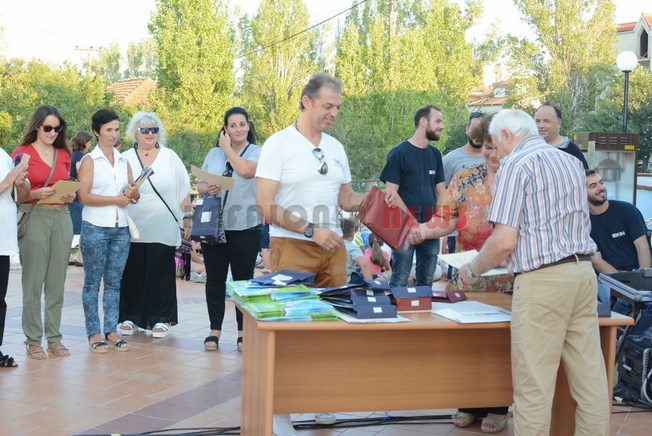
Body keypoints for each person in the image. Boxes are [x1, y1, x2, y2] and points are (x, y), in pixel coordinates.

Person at [256, 73, 396, 435]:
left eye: (337, 107)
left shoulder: (336, 148)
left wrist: (376, 198)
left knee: (330, 328)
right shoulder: (278, 144)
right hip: (292, 247)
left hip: (332, 248)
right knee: (290, 330)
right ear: (306, 101)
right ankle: (281, 409)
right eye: (327, 105)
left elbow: (346, 199)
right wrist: (310, 230)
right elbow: (265, 204)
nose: (333, 113)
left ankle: (322, 400)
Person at [457, 109, 609, 435]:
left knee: (533, 390)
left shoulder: (516, 164)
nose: (495, 153)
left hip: (542, 282)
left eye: (496, 143)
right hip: (582, 274)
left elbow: (503, 241)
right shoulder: (571, 162)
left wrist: (471, 269)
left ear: (507, 135)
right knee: (591, 384)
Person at [409, 113, 511, 433]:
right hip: (467, 277)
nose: (492, 154)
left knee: (499, 347)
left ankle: (498, 405)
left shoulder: (521, 178)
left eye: (498, 147)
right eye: (487, 147)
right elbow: (446, 218)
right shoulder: (466, 177)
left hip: (509, 280)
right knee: (466, 346)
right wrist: (422, 231)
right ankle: (468, 403)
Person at [11, 104, 76, 360]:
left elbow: (66, 183)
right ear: (37, 126)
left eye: (57, 128)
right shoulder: (22, 153)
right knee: (33, 282)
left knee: (56, 283)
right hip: (35, 215)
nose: (52, 133)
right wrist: (36, 193)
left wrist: (69, 194)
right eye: (48, 127)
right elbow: (16, 194)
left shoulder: (64, 153)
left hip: (62, 216)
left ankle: (54, 338)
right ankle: (32, 339)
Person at [119, 112, 191, 339]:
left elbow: (184, 190)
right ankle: (130, 317)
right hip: (133, 225)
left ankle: (162, 318)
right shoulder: (124, 158)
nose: (150, 134)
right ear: (135, 133)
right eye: (145, 130)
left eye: (154, 130)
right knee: (132, 272)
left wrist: (188, 218)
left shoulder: (170, 157)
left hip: (163, 223)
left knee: (161, 273)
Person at [197, 107, 262, 352]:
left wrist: (227, 148)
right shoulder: (213, 153)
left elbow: (245, 170)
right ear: (225, 128)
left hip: (245, 224)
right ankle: (214, 330)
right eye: (232, 125)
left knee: (243, 280)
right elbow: (200, 184)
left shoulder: (257, 151)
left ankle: (243, 332)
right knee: (214, 279)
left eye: (242, 124)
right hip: (215, 224)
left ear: (248, 126)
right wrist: (208, 188)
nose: (238, 129)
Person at [77, 109, 139, 353]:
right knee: (92, 284)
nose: (114, 134)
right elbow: (83, 196)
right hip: (95, 228)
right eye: (108, 130)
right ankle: (94, 332)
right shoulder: (90, 161)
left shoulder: (124, 161)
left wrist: (133, 193)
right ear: (96, 132)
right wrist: (116, 199)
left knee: (114, 284)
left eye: (116, 129)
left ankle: (111, 330)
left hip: (120, 229)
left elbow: (133, 195)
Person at [379, 104, 445, 288]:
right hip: (403, 229)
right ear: (423, 122)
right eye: (438, 121)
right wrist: (413, 224)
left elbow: (441, 190)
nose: (442, 126)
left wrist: (437, 221)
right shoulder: (399, 153)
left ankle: (424, 308)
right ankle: (396, 308)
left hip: (430, 229)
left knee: (427, 282)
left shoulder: (435, 154)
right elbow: (391, 193)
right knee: (400, 278)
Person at [586, 169, 651, 273]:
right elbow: (596, 261)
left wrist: (643, 276)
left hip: (637, 273)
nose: (601, 188)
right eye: (593, 186)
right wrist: (620, 281)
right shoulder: (584, 223)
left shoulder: (627, 210)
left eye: (601, 183)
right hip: (607, 278)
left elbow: (642, 247)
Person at [0, 149, 29, 367]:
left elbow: (17, 196)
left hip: (3, 239)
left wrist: (19, 182)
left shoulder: (3, 155)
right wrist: (8, 181)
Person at [534, 102, 589, 169]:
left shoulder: (572, 151)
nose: (541, 126)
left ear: (558, 123)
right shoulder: (531, 148)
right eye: (537, 121)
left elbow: (586, 174)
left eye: (546, 121)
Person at [68, 131, 93, 267]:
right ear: (85, 142)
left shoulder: (70, 155)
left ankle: (66, 255)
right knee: (85, 227)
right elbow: (81, 172)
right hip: (79, 195)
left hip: (69, 193)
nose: (90, 144)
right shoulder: (83, 158)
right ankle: (81, 257)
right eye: (89, 142)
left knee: (70, 228)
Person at [442, 111, 485, 186]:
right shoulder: (450, 160)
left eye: (481, 129)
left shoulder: (494, 159)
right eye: (474, 128)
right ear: (467, 130)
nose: (477, 132)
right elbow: (441, 190)